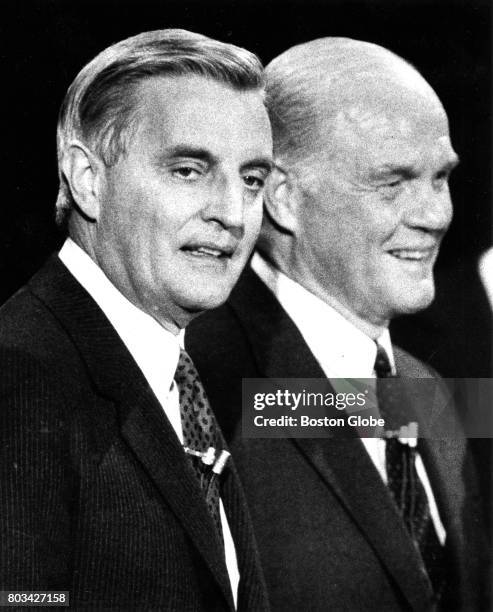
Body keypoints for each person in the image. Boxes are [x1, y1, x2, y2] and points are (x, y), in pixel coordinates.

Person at [187, 38, 487, 611]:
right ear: (282, 196)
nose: (434, 215)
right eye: (392, 182)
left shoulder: (430, 390)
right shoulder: (190, 379)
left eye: (441, 177)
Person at [0, 29, 273, 610]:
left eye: (251, 179)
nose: (232, 212)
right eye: (188, 170)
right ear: (88, 180)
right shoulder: (17, 376)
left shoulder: (173, 371)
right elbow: (23, 600)